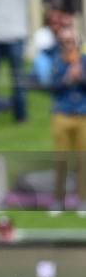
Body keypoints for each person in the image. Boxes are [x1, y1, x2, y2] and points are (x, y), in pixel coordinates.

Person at [50, 26, 86, 210]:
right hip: (62, 114)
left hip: (82, 114)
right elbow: (52, 87)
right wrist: (67, 77)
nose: (68, 45)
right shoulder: (57, 62)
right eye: (65, 42)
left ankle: (82, 200)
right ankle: (58, 200)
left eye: (71, 41)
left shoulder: (84, 61)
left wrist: (80, 75)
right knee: (61, 159)